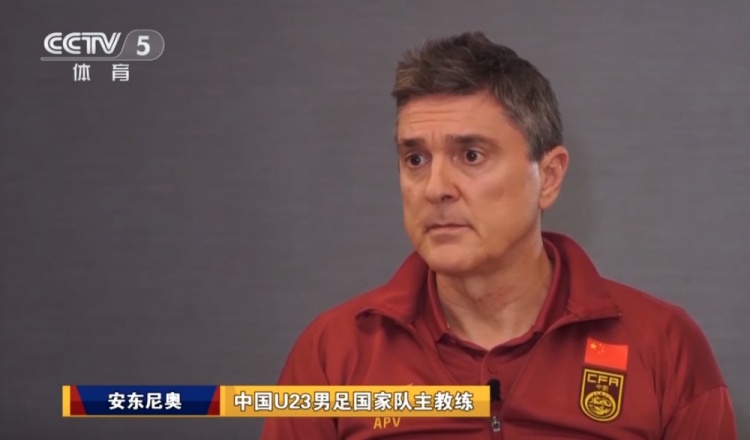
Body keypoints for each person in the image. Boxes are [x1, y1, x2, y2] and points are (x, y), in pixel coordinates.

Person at [260, 31, 737, 439]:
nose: (435, 188)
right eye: (415, 159)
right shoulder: (334, 353)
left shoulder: (663, 346)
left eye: (471, 155)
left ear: (548, 177)